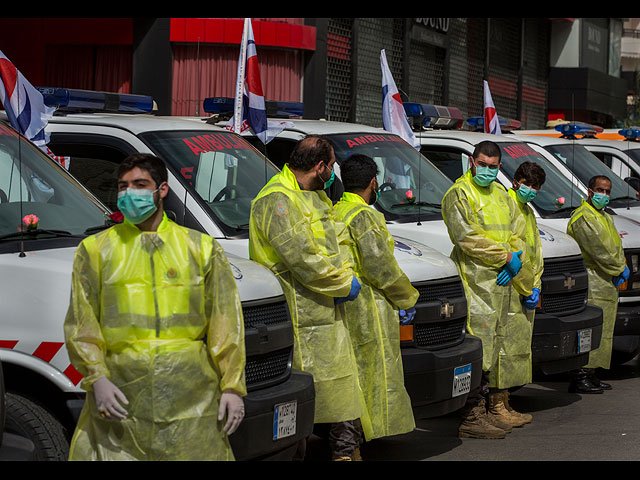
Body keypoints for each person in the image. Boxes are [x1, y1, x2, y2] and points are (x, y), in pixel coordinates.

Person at [64, 154, 246, 461]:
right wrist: (97, 378)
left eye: (139, 184)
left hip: (191, 394)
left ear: (162, 189)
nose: (129, 193)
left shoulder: (200, 249)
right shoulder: (96, 250)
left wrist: (232, 386)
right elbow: (82, 322)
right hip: (121, 391)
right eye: (123, 186)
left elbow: (226, 322)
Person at [249, 135, 363, 461]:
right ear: (320, 166)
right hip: (298, 314)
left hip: (325, 311)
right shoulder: (277, 200)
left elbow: (333, 244)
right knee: (295, 400)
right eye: (331, 166)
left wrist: (344, 278)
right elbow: (303, 258)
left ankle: (345, 453)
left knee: (339, 392)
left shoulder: (314, 195)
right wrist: (343, 284)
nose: (333, 173)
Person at [441, 140, 529, 439]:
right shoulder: (459, 194)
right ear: (471, 162)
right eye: (483, 165)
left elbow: (518, 231)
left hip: (501, 282)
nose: (487, 171)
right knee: (478, 346)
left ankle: (491, 407)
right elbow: (466, 237)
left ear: (499, 166)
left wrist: (515, 258)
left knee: (497, 346)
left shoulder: (502, 195)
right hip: (475, 282)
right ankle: (471, 414)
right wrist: (504, 256)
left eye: (493, 167)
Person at [333, 154, 418, 447]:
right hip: (369, 308)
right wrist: (407, 298)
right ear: (373, 182)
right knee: (372, 378)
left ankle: (346, 445)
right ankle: (353, 447)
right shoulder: (365, 217)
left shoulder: (336, 210)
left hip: (345, 305)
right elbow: (380, 266)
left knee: (351, 378)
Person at [494, 161, 547, 426]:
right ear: (516, 181)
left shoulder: (527, 210)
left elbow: (534, 252)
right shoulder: (508, 206)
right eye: (528, 185)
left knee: (516, 350)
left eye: (535, 187)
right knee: (503, 349)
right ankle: (496, 404)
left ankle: (505, 401)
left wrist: (536, 284)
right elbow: (512, 250)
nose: (531, 190)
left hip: (525, 288)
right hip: (512, 287)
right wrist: (526, 283)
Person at [566, 175, 629, 394]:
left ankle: (591, 373)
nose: (604, 195)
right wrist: (620, 268)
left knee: (602, 331)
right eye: (600, 190)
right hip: (592, 281)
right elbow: (600, 251)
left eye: (607, 191)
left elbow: (615, 246)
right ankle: (580, 375)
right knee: (588, 332)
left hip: (605, 282)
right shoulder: (584, 218)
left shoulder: (603, 217)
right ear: (590, 191)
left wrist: (619, 265)